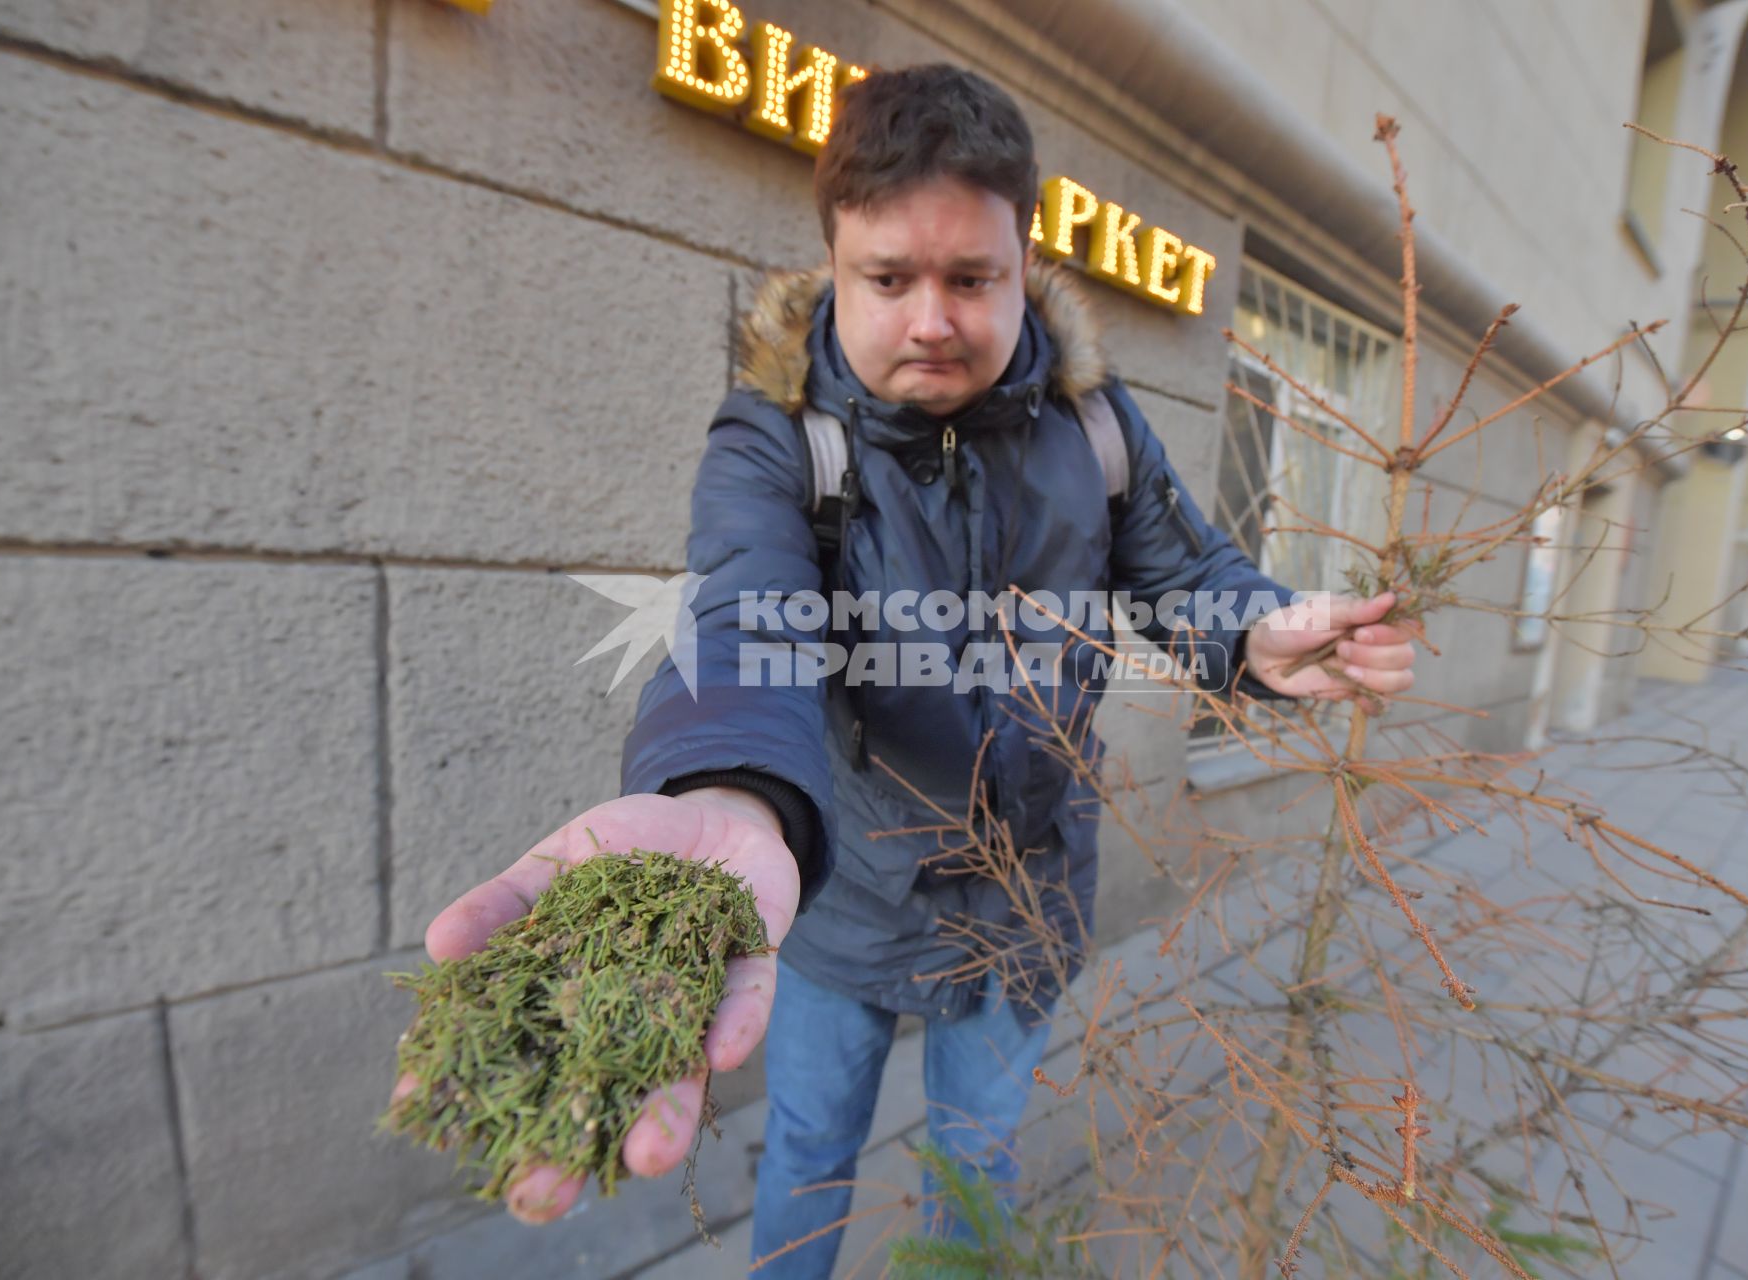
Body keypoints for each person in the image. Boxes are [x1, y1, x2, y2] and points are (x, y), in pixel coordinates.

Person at [405, 63, 1416, 1277]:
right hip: (845, 905)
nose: (932, 318)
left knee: (973, 1165)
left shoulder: (1096, 422)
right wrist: (732, 792)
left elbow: (1185, 570)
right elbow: (744, 611)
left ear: (1022, 260)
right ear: (837, 262)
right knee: (811, 1153)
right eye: (889, 279)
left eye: (971, 279)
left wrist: (1254, 634)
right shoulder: (776, 437)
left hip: (1029, 901)